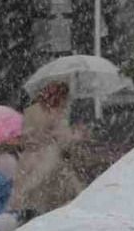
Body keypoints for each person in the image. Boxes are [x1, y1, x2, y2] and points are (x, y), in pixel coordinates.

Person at [12, 81, 85, 214]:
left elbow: (26, 137)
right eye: (63, 97)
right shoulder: (54, 113)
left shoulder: (35, 111)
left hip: (35, 160)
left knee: (33, 194)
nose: (64, 101)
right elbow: (63, 140)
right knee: (43, 191)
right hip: (44, 160)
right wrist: (74, 136)